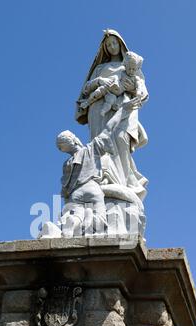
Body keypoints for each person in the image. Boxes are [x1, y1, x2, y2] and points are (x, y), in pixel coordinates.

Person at [76, 29, 148, 200]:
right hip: (99, 107)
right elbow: (86, 89)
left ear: (120, 44)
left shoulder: (130, 65)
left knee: (121, 140)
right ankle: (100, 177)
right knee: (99, 142)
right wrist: (100, 81)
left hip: (124, 107)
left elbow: (142, 90)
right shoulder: (100, 68)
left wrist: (134, 91)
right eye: (108, 45)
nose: (111, 46)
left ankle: (125, 182)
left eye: (114, 43)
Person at [56, 129, 115, 236]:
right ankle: (90, 219)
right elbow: (109, 128)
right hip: (91, 188)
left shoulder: (67, 164)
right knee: (100, 218)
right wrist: (122, 113)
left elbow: (65, 188)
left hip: (75, 193)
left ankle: (73, 223)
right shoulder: (91, 149)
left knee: (76, 215)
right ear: (74, 140)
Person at [79, 51, 145, 118]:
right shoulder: (118, 71)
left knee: (109, 102)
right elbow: (86, 89)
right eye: (129, 69)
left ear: (137, 69)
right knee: (98, 92)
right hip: (108, 87)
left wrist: (135, 91)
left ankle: (103, 111)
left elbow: (141, 88)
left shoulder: (136, 78)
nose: (131, 71)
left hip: (118, 98)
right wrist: (99, 80)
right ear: (125, 66)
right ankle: (87, 102)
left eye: (133, 69)